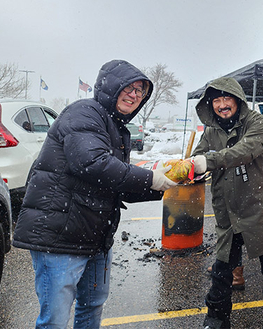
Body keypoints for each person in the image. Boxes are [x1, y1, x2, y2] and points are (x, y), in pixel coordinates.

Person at [12, 60, 177, 329]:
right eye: (129, 87)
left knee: (91, 307)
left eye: (140, 91)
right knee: (54, 319)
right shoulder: (84, 113)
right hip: (58, 236)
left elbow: (113, 182)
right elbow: (92, 164)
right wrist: (149, 177)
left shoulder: (116, 127)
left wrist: (161, 185)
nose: (135, 95)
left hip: (94, 237)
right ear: (111, 86)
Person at [191, 77, 263, 329]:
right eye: (216, 100)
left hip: (260, 206)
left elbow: (245, 150)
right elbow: (198, 156)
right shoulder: (211, 131)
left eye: (227, 99)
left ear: (238, 100)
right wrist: (191, 166)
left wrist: (208, 161)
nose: (222, 105)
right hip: (229, 210)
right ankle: (216, 316)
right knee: (222, 268)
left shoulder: (255, 122)